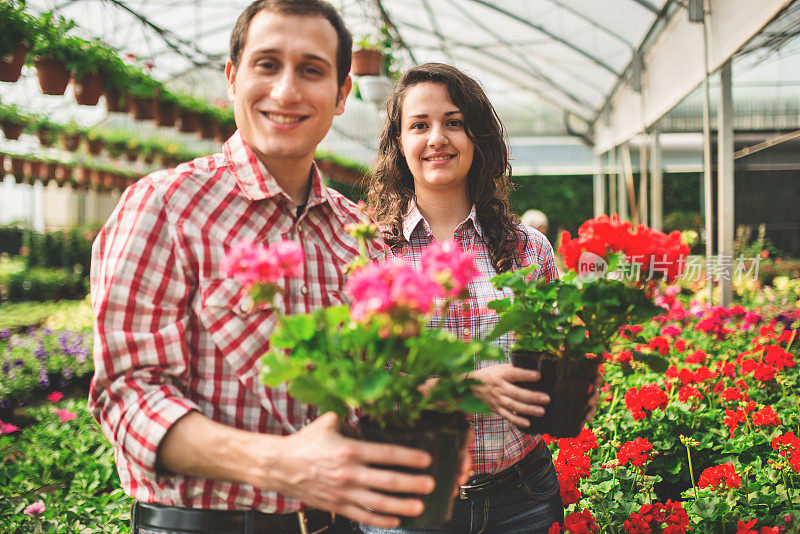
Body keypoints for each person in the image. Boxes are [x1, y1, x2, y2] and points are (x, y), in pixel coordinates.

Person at [89, 2, 444, 533]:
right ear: (232, 79)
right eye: (267, 64)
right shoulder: (164, 205)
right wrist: (280, 465)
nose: (286, 91)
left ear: (343, 94)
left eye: (311, 70)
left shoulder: (355, 234)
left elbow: (372, 388)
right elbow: (128, 394)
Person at [363, 63, 599, 533]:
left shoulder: (527, 247)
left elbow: (552, 356)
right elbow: (358, 393)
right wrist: (467, 389)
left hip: (523, 497)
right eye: (419, 125)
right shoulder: (370, 252)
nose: (437, 138)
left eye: (454, 122)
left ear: (478, 137)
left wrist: (572, 388)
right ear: (399, 144)